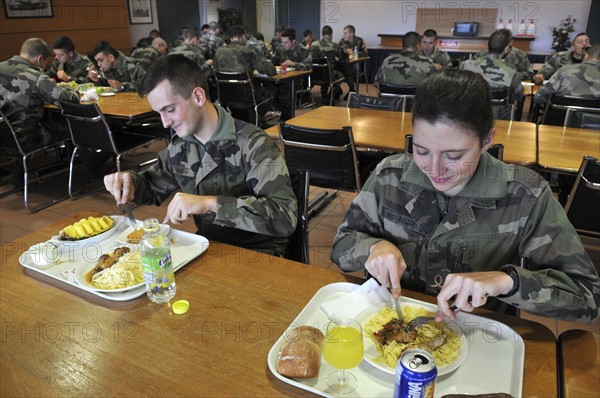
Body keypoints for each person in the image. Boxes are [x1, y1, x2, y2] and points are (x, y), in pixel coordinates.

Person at [330, 68, 599, 324]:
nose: (434, 169)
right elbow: (341, 246)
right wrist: (374, 247)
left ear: (487, 140)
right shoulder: (389, 175)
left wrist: (506, 282)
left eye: (454, 156)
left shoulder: (526, 195)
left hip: (476, 332)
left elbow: (588, 297)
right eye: (421, 150)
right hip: (389, 326)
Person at [103, 55, 297, 256]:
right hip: (209, 247)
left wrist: (209, 203)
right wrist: (129, 182)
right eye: (159, 113)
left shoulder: (253, 144)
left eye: (169, 110)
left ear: (198, 97)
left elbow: (284, 218)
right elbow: (151, 186)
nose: (165, 123)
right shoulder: (181, 147)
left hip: (260, 253)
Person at [0, 38, 79, 153]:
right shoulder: (36, 77)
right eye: (45, 64)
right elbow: (69, 99)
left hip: (4, 137)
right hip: (26, 139)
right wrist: (69, 88)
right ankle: (85, 165)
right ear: (40, 59)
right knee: (72, 126)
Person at [213, 25, 276, 123]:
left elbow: (216, 72)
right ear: (243, 36)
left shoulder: (218, 52)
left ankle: (241, 119)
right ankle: (255, 119)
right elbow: (270, 71)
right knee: (272, 89)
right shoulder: (248, 51)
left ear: (230, 37)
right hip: (247, 96)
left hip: (226, 95)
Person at [461, 29, 524, 120]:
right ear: (507, 48)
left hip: (468, 118)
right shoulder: (511, 73)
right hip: (499, 121)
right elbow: (520, 96)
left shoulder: (465, 65)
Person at [534, 43, 600, 104]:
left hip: (562, 115)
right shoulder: (562, 59)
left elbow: (539, 97)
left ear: (586, 55)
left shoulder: (565, 70)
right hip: (594, 116)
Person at [271, 28, 312, 121]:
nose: (283, 45)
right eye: (282, 42)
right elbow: (273, 61)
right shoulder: (280, 48)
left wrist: (293, 64)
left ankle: (286, 120)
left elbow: (309, 67)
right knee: (266, 90)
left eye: (286, 42)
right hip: (280, 78)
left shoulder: (303, 50)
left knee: (286, 91)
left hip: (296, 80)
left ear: (293, 41)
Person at [310, 25, 345, 103]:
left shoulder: (313, 44)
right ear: (331, 34)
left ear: (322, 34)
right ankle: (330, 96)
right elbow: (340, 58)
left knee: (325, 72)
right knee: (340, 75)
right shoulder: (336, 46)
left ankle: (324, 93)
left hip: (313, 74)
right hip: (328, 75)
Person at [338, 24, 368, 97]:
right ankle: (337, 90)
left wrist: (354, 54)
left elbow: (365, 53)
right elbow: (339, 53)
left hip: (355, 64)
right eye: (343, 33)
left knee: (351, 68)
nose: (343, 35)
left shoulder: (359, 41)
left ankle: (352, 90)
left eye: (345, 33)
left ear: (351, 34)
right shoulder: (342, 41)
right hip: (344, 63)